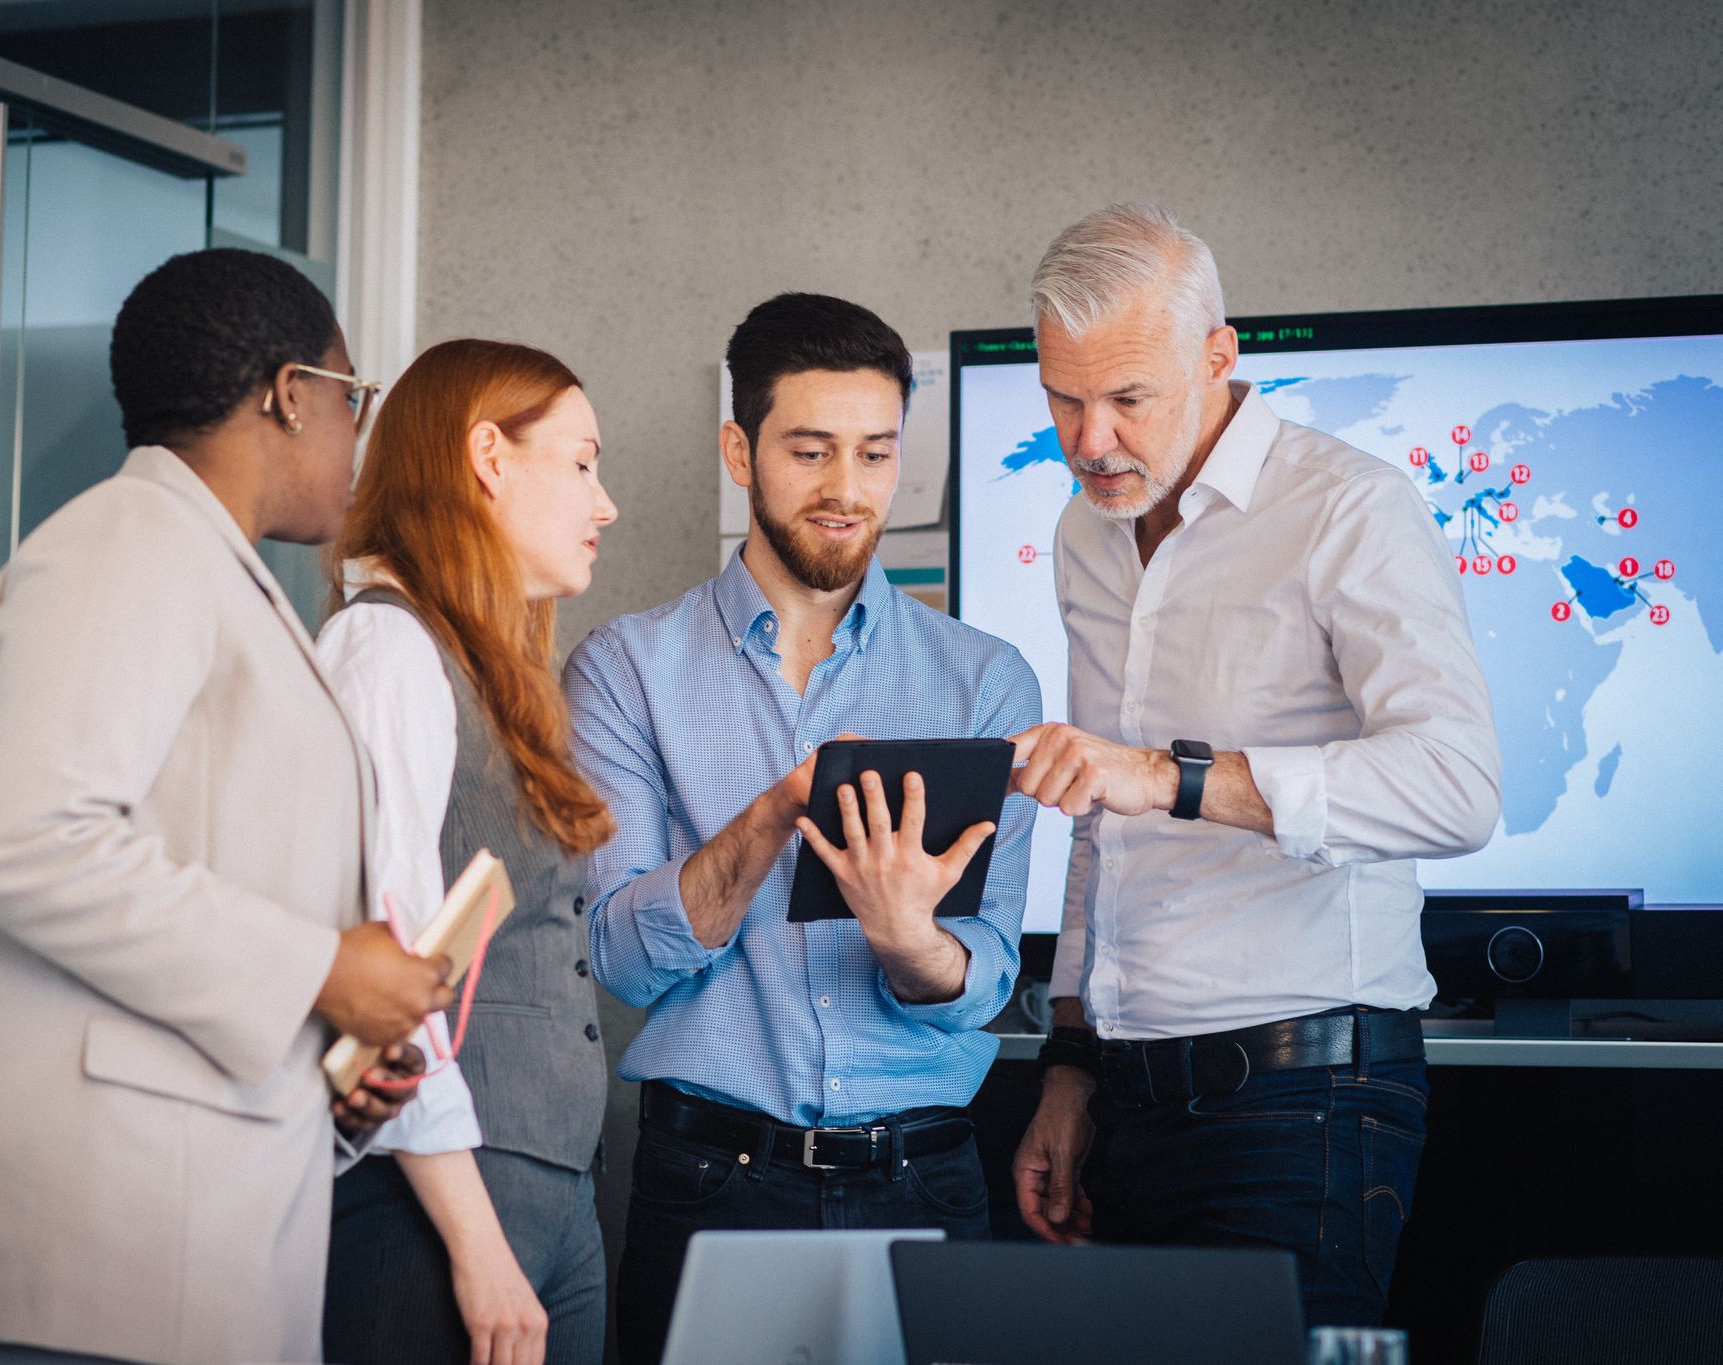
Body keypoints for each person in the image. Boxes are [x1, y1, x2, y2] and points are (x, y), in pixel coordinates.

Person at [0, 248, 455, 1365]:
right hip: (82, 1258)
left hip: (177, 1237)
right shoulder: (129, 542)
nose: (354, 432)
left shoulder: (213, 567)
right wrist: (322, 970)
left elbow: (188, 881)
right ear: (285, 393)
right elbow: (27, 841)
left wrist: (329, 1064)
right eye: (350, 397)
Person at [1005, 204, 1501, 1326]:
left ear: (1217, 356)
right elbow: (1100, 819)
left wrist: (1174, 777)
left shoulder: (1346, 507)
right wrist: (1069, 1066)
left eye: (1128, 399)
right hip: (1127, 1094)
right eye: (1061, 398)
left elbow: (1457, 784)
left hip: (1307, 1096)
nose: (1089, 440)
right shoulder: (1083, 533)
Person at [563, 292, 1045, 1365]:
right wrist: (776, 813)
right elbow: (620, 958)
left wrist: (909, 942)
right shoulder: (626, 669)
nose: (844, 489)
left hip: (926, 1179)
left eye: (875, 455)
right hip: (707, 1185)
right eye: (810, 450)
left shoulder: (983, 683)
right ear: (739, 450)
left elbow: (992, 969)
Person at [318, 339, 621, 1365]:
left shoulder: (479, 662)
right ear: (487, 455)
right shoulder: (386, 648)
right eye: (581, 463)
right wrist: (477, 1245)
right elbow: (388, 975)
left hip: (548, 1193)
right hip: (445, 1207)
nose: (604, 502)